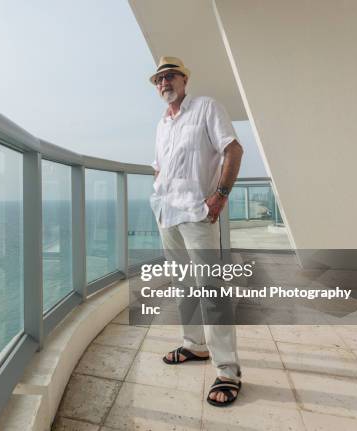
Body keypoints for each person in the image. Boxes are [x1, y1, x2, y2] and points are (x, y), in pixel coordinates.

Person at [149, 56, 244, 406]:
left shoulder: (206, 108)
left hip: (197, 215)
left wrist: (220, 195)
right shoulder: (161, 124)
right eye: (158, 79)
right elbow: (160, 167)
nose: (164, 83)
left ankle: (227, 371)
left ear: (184, 79)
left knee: (211, 289)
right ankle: (194, 346)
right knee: (183, 283)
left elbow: (233, 150)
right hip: (167, 214)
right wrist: (159, 193)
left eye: (170, 76)